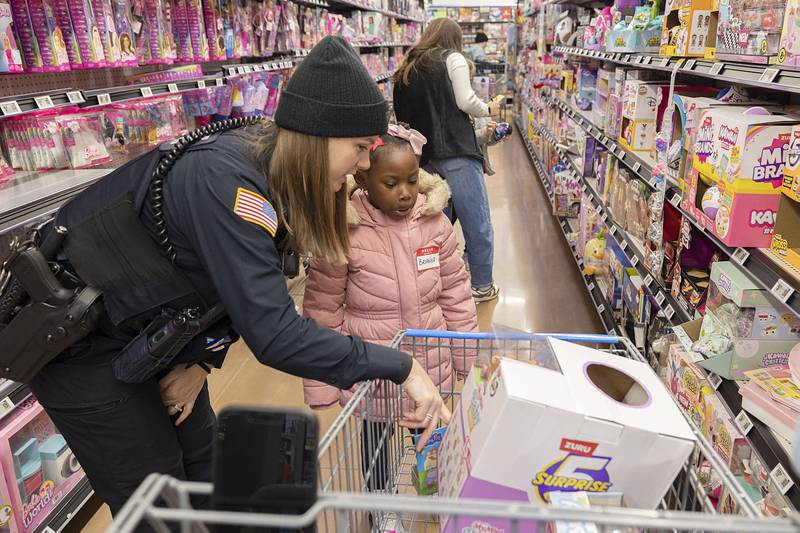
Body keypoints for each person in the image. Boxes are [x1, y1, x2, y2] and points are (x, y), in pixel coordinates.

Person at [23, 37, 449, 519]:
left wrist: (200, 362)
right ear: (318, 134)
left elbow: (226, 283)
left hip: (156, 336)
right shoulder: (224, 183)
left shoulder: (274, 171)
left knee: (206, 467)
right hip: (83, 348)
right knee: (158, 500)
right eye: (359, 147)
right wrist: (403, 367)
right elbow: (275, 335)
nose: (366, 164)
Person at [301, 122, 478, 491]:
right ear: (363, 182)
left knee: (433, 449)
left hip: (431, 368)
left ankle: (435, 498)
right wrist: (322, 384)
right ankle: (383, 509)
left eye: (412, 180)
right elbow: (322, 309)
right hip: (373, 374)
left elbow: (457, 294)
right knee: (376, 452)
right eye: (391, 183)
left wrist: (467, 358)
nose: (406, 193)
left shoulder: (435, 223)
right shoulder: (343, 230)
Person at [393, 18, 501, 303]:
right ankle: (482, 285)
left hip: (423, 157)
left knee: (433, 225)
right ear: (454, 40)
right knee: (476, 222)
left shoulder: (408, 66)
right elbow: (465, 101)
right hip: (456, 152)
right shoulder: (454, 58)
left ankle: (430, 283)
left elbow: (400, 118)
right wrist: (488, 108)